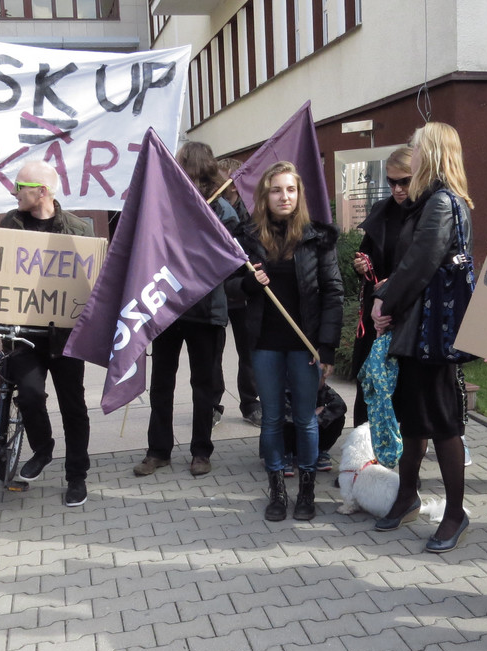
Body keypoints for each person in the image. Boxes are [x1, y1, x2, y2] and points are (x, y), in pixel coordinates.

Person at [370, 121, 472, 553]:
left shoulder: (442, 203)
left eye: (416, 145)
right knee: (413, 418)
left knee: (443, 423)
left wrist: (384, 302)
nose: (410, 151)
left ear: (431, 151)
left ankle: (455, 514)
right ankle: (407, 495)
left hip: (433, 334)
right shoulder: (432, 200)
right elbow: (413, 261)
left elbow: (419, 265)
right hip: (419, 330)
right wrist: (386, 295)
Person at [236, 161, 343, 521]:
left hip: (306, 345)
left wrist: (326, 346)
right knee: (271, 419)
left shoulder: (318, 237)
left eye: (291, 189)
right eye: (277, 189)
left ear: (300, 195)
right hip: (265, 342)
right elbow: (230, 286)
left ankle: (307, 492)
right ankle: (278, 491)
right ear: (265, 196)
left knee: (305, 419)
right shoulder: (248, 237)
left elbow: (333, 293)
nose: (285, 196)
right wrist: (250, 282)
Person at [134, 142, 235, 478]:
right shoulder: (166, 203)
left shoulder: (221, 207)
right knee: (162, 382)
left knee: (203, 384)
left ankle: (201, 451)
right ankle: (158, 450)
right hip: (167, 306)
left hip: (206, 310)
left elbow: (232, 251)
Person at [2, 160, 93, 507]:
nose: (14, 191)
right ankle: (43, 448)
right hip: (25, 332)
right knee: (27, 394)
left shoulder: (79, 229)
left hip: (67, 335)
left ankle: (77, 475)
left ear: (41, 192)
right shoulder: (9, 224)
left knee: (74, 406)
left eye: (20, 186)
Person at [350, 146, 412, 429]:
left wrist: (394, 286)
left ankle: (402, 442)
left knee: (402, 385)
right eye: (391, 182)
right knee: (369, 378)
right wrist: (362, 263)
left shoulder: (427, 212)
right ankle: (364, 439)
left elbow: (423, 263)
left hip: (407, 310)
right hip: (375, 312)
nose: (397, 189)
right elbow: (367, 250)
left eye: (404, 181)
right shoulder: (382, 210)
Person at [216, 157, 261, 427]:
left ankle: (250, 403)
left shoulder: (251, 213)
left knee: (249, 352)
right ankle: (212, 404)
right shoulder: (210, 209)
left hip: (244, 291)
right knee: (213, 354)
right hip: (216, 292)